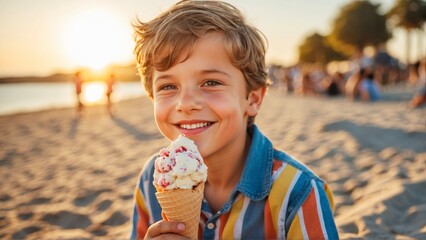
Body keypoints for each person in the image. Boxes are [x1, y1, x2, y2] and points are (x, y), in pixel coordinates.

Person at [131, 1, 339, 239]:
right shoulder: (152, 179)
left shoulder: (299, 192)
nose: (186, 103)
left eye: (211, 82)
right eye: (168, 86)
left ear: (252, 99)